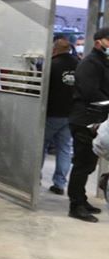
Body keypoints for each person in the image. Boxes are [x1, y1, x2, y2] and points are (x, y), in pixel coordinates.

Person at [67, 27, 109, 222]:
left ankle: (82, 200)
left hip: (96, 120)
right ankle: (75, 205)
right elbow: (90, 92)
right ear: (99, 41)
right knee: (82, 164)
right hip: (85, 120)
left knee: (89, 164)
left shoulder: (103, 62)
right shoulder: (90, 63)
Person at [44, 38, 78, 196]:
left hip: (52, 113)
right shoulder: (79, 64)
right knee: (64, 149)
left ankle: (32, 179)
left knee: (41, 146)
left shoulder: (51, 65)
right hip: (71, 114)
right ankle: (59, 184)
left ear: (55, 49)